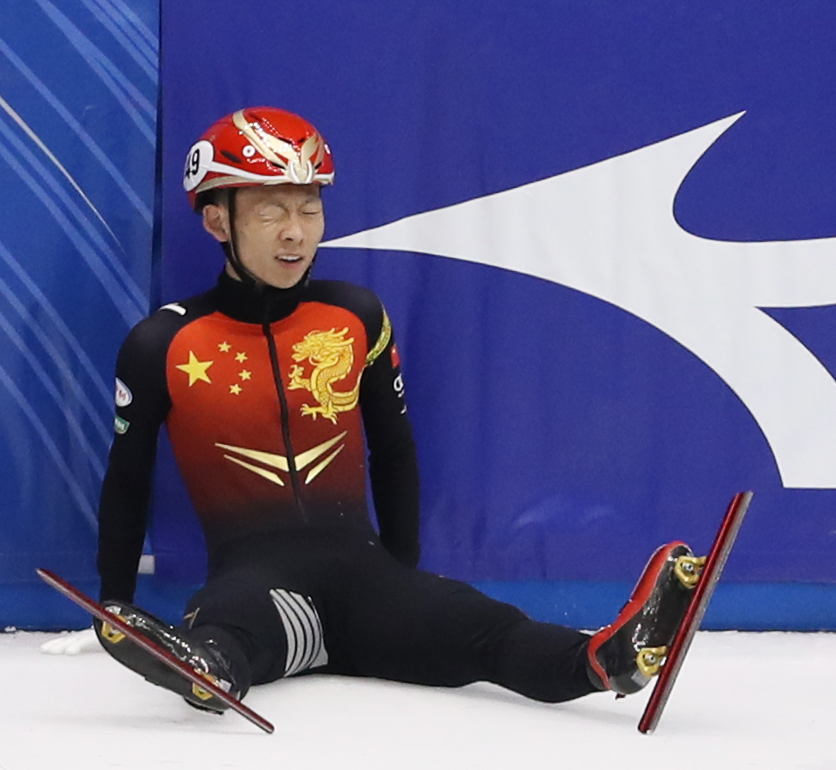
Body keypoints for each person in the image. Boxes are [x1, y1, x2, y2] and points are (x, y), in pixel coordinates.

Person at [92, 106, 698, 715]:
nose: (296, 233)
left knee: (490, 629)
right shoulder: (163, 343)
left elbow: (394, 447)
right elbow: (128, 480)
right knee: (231, 629)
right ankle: (208, 667)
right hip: (258, 585)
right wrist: (112, 605)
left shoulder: (356, 315)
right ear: (216, 221)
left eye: (309, 209)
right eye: (271, 210)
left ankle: (608, 658)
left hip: (368, 582)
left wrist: (398, 578)